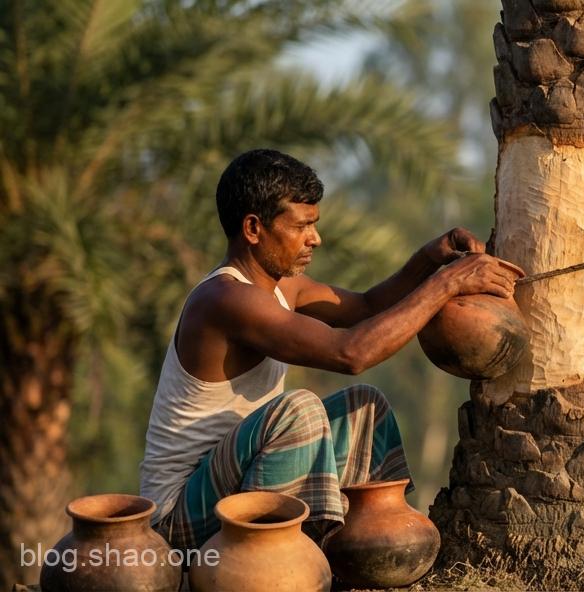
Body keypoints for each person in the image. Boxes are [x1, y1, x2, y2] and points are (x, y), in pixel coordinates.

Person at [137, 148, 522, 549]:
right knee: (298, 411)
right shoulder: (225, 299)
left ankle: (366, 545)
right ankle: (271, 559)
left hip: (237, 486)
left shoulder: (282, 288)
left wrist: (431, 259)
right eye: (303, 226)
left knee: (364, 407)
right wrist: (448, 284)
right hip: (177, 519)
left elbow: (368, 308)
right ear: (253, 228)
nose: (315, 239)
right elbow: (350, 353)